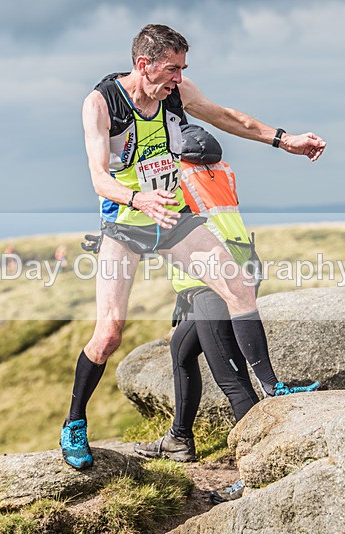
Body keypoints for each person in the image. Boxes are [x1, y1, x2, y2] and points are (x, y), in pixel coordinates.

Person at [60, 23, 326, 470]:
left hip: (172, 216)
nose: (178, 79)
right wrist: (136, 197)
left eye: (182, 69)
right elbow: (98, 177)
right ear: (143, 65)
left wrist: (286, 141)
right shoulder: (101, 103)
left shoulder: (177, 93)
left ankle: (273, 387)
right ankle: (74, 424)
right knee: (108, 334)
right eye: (171, 69)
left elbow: (228, 118)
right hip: (126, 223)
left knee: (238, 286)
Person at [132, 123, 319, 504]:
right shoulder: (220, 172)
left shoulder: (173, 174)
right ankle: (179, 439)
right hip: (237, 268)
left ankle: (255, 472)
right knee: (182, 352)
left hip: (210, 283)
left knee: (232, 382)